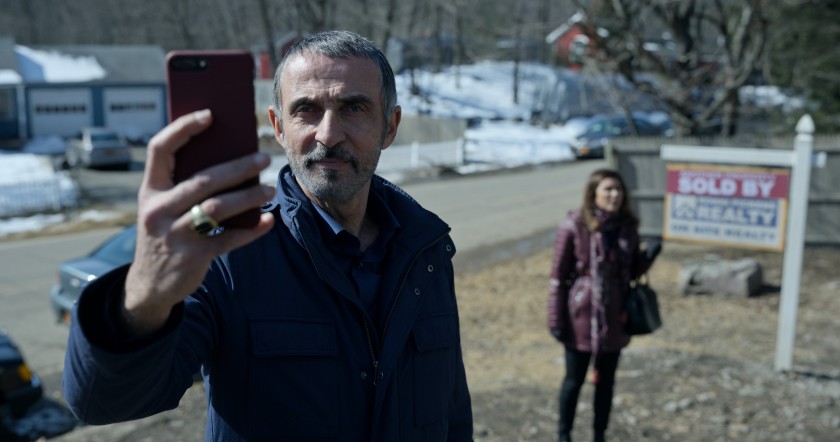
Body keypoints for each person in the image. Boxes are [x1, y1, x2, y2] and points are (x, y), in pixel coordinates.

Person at [62, 30, 473, 441]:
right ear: (278, 127)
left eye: (353, 108)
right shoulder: (226, 253)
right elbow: (104, 400)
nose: (328, 134)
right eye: (307, 110)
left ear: (390, 126)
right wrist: (144, 297)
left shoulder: (425, 251)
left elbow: (452, 414)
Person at [546, 169, 661, 442]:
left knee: (607, 382)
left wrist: (648, 256)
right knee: (573, 380)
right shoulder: (574, 225)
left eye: (618, 189)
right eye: (608, 189)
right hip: (580, 316)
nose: (614, 195)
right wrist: (555, 320)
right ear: (593, 193)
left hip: (615, 316)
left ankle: (599, 435)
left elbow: (630, 272)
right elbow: (557, 278)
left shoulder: (627, 227)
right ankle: (564, 435)